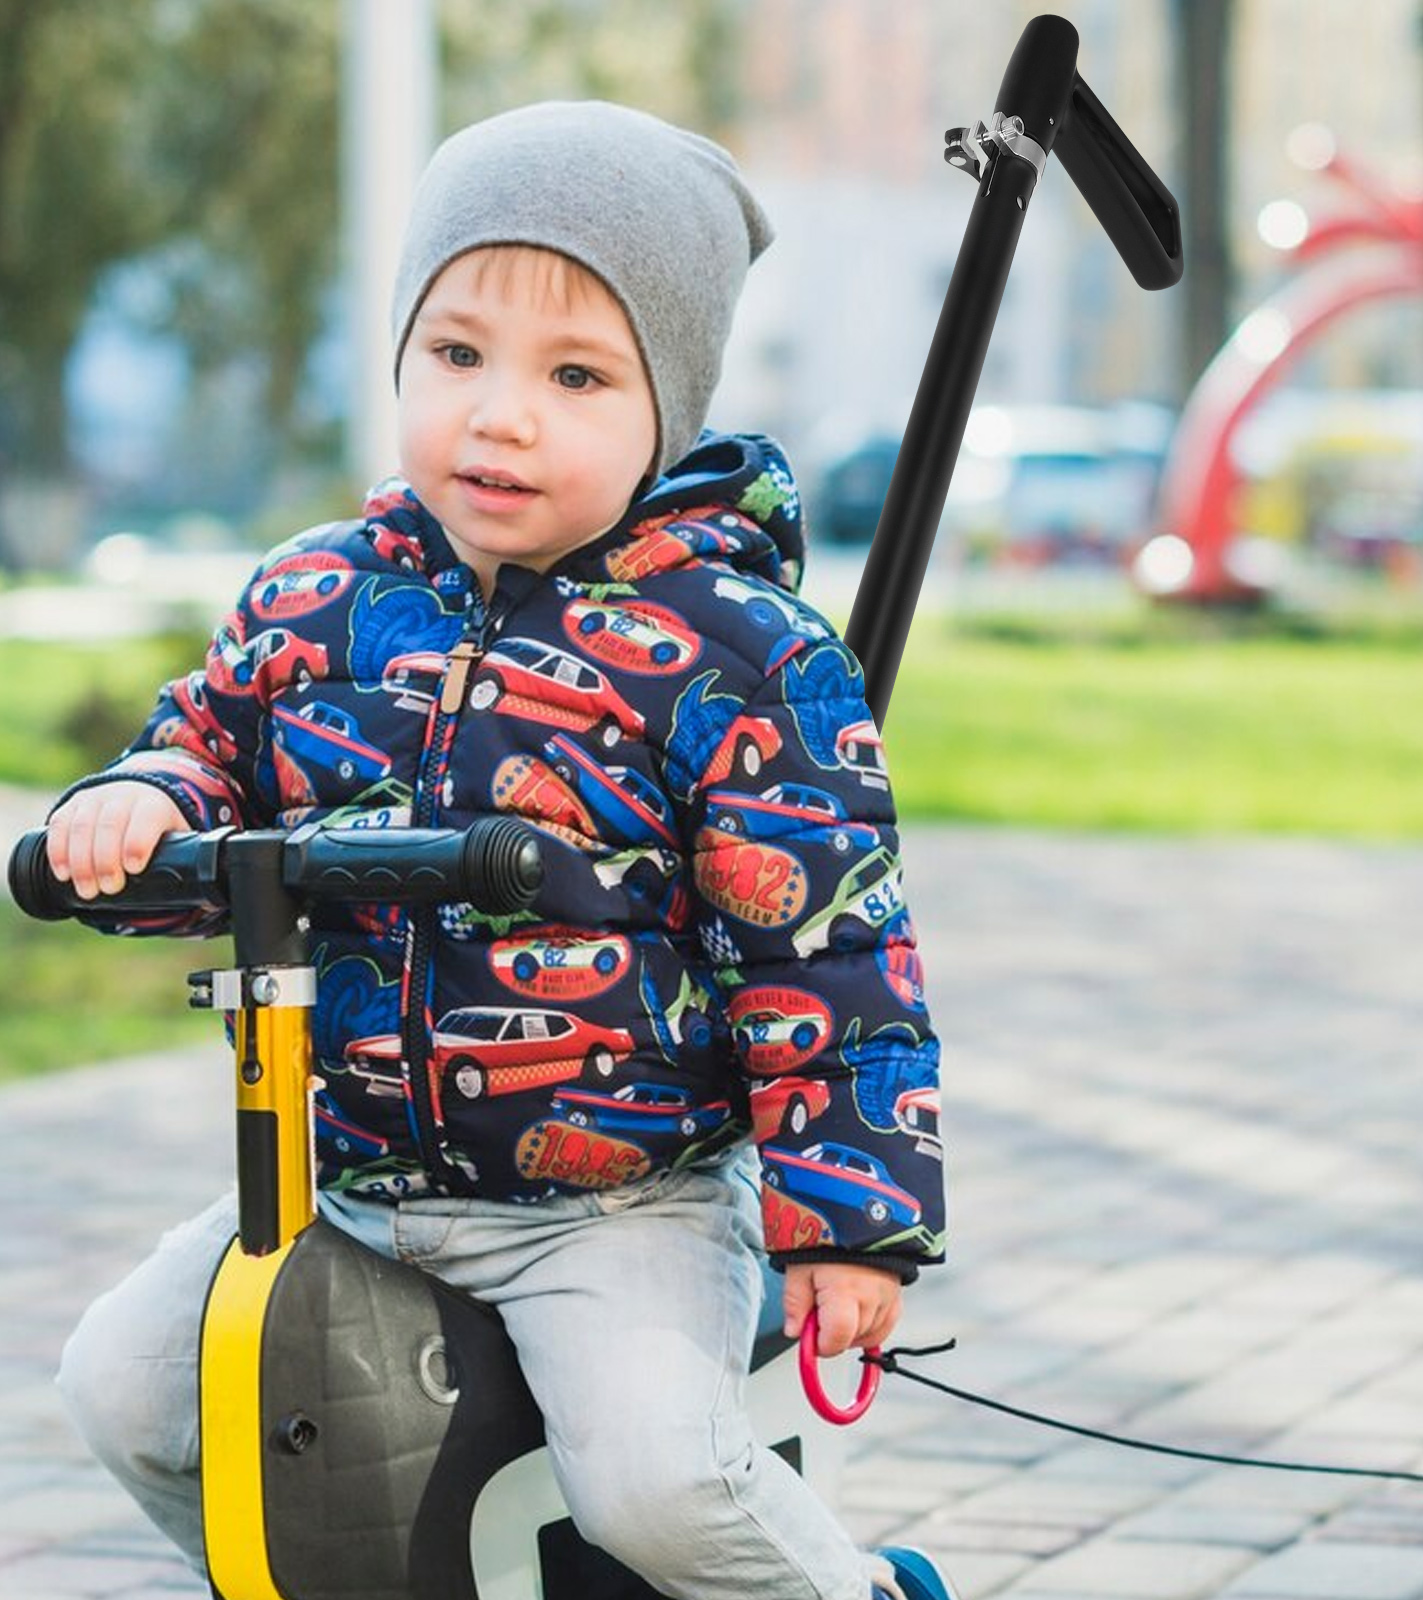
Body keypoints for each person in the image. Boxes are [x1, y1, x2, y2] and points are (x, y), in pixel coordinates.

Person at [48, 100, 952, 1600]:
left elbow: (834, 957)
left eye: (577, 375)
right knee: (131, 1392)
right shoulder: (314, 597)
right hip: (340, 1174)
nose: (501, 414)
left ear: (672, 402)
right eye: (455, 354)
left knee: (660, 1485)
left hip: (623, 1200)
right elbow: (207, 749)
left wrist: (848, 1224)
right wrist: (144, 801)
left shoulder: (731, 651)